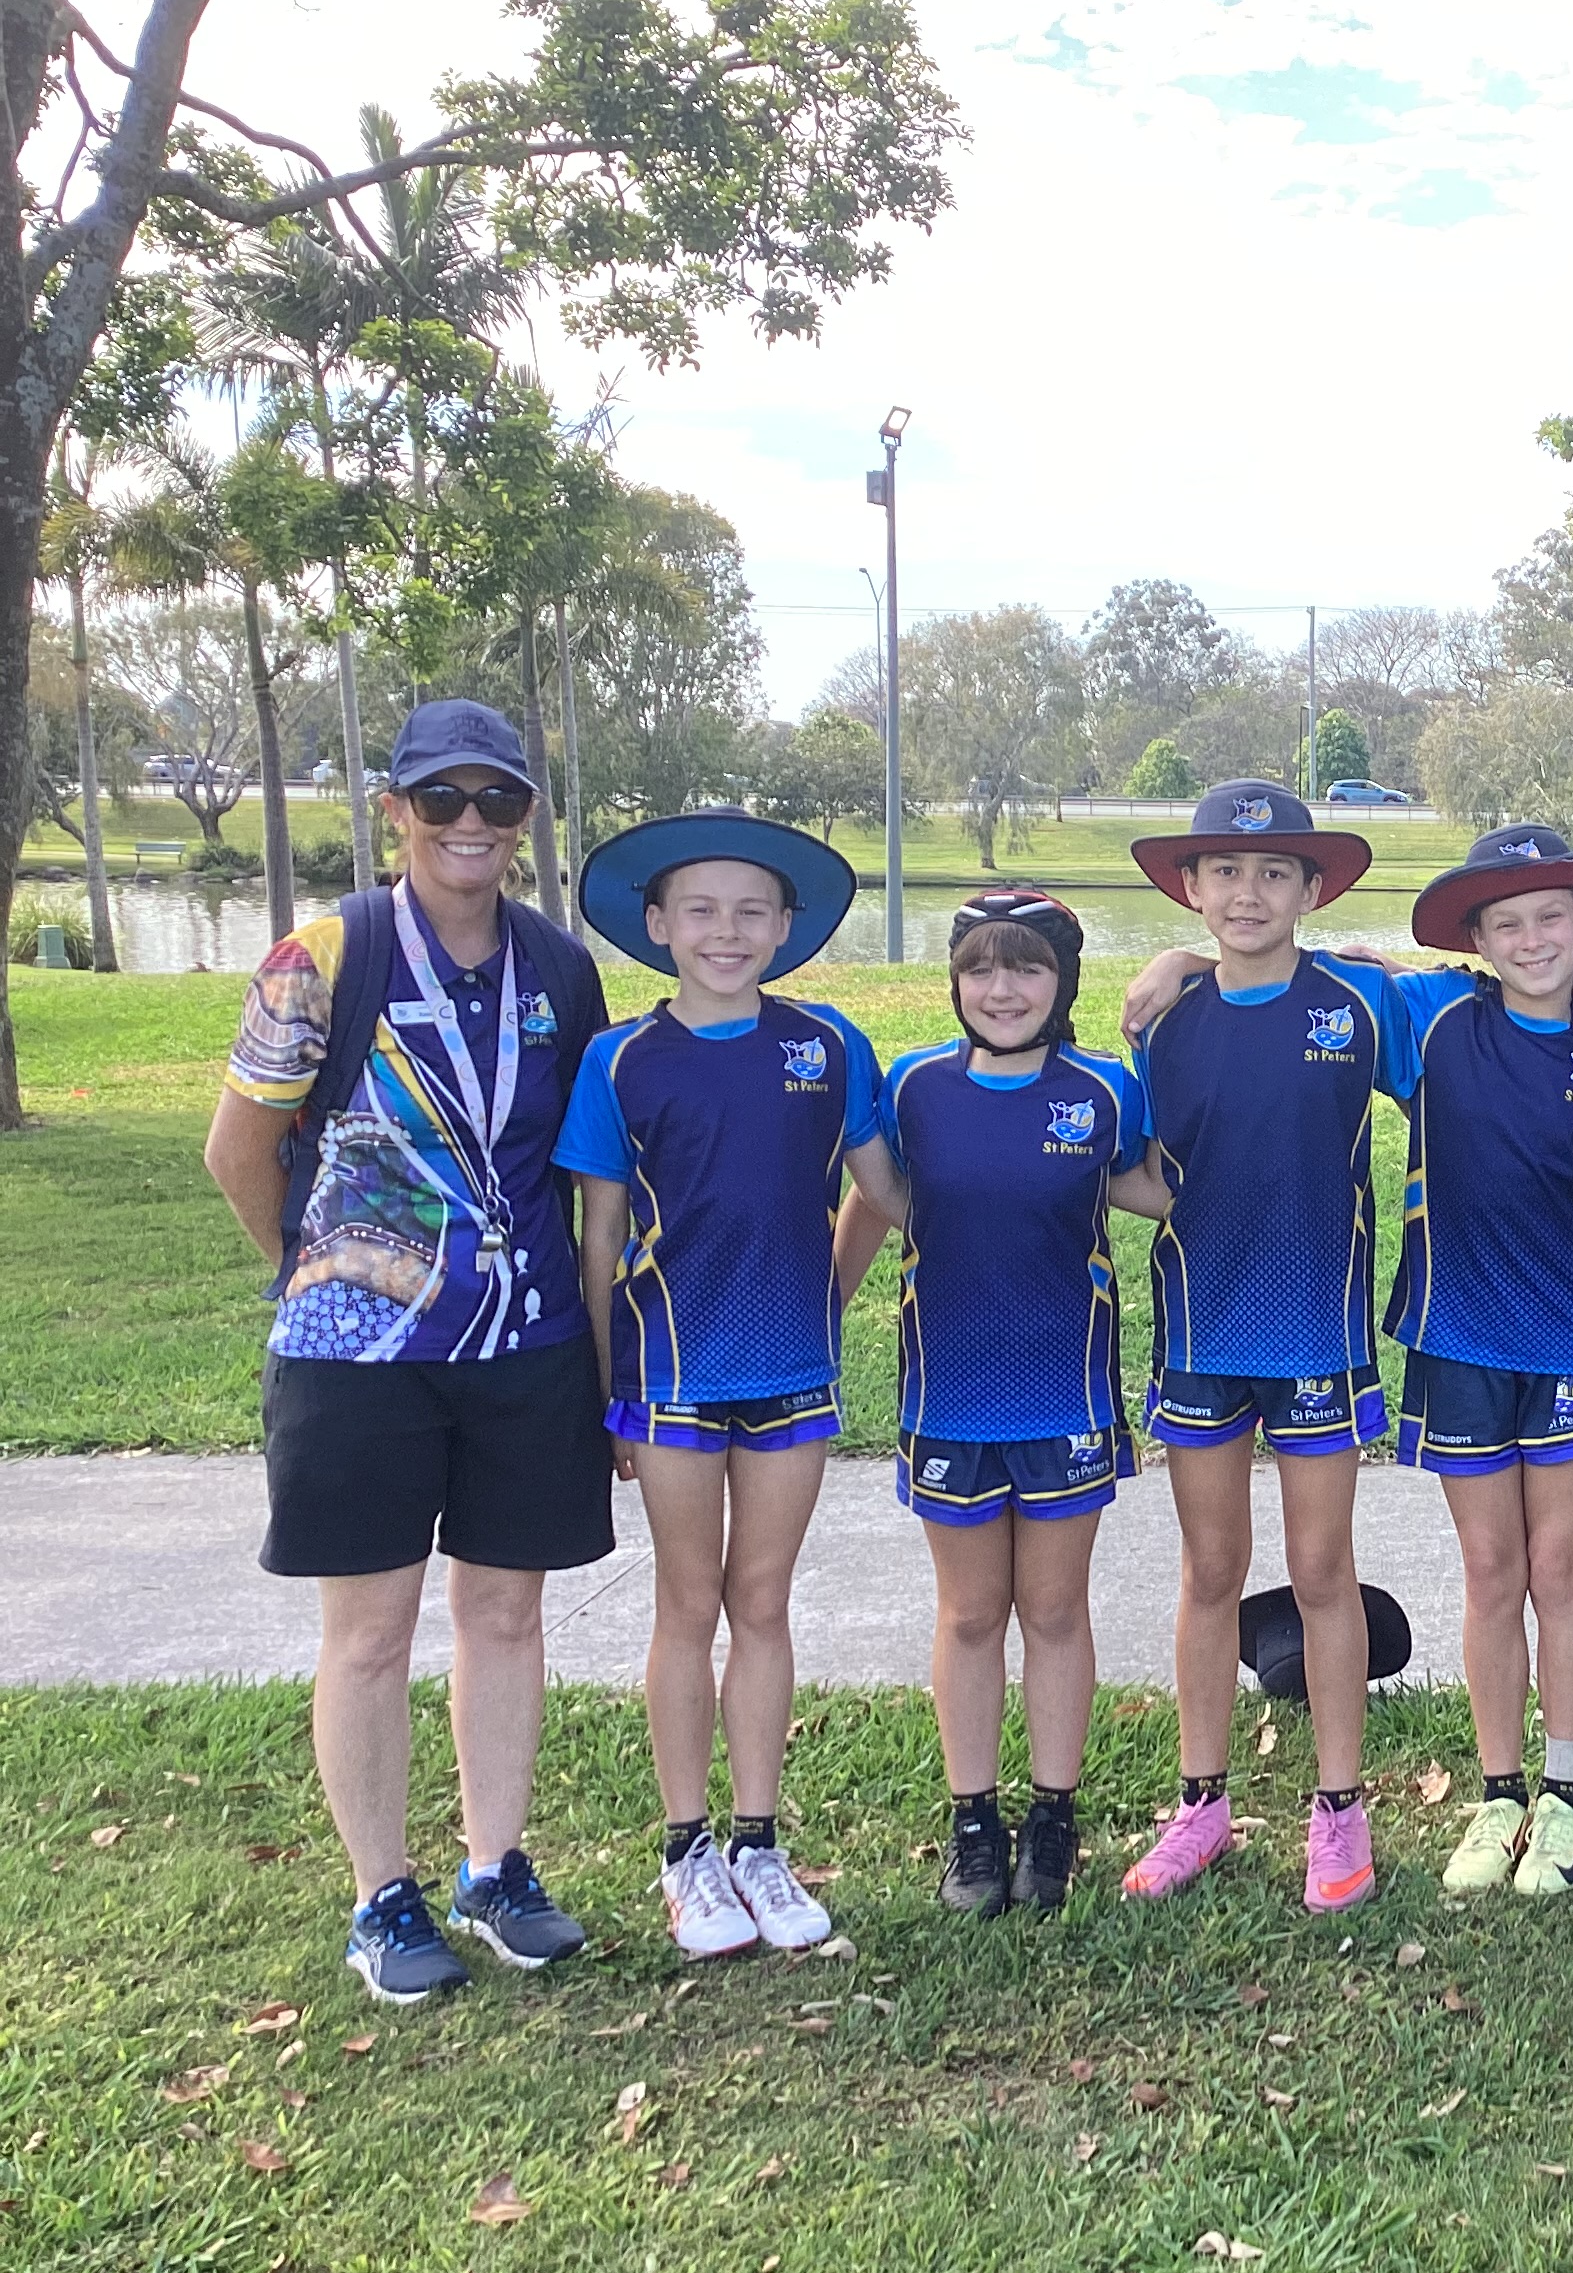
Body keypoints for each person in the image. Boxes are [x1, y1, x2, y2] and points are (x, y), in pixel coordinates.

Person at [205, 699, 612, 2003]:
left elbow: (574, 1161)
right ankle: (383, 1896)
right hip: (354, 1356)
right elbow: (237, 1150)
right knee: (371, 1635)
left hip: (523, 1340)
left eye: (500, 800)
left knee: (504, 1612)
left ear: (527, 818)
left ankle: (495, 1870)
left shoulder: (560, 970)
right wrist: (312, 1269)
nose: (473, 825)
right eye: (445, 800)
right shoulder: (320, 956)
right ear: (398, 812)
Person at [559, 808, 901, 1959]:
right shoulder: (621, 1059)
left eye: (752, 910)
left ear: (785, 927)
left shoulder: (829, 1045)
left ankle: (758, 1841)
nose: (727, 930)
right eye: (700, 910)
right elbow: (598, 1237)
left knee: (763, 1603)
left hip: (792, 1373)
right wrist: (602, 1392)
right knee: (686, 1604)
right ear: (657, 926)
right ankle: (686, 1851)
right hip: (668, 1377)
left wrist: (847, 1286)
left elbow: (883, 1192)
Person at [1113, 780, 1419, 1912]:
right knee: (1209, 1570)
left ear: (1311, 887)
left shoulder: (1358, 1007)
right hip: (1202, 1323)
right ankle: (1201, 1806)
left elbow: (1460, 1032)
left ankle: (1338, 1812)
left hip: (1318, 1330)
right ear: (1189, 888)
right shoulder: (1161, 1024)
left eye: (1273, 873)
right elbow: (1135, 1170)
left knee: (1325, 1569)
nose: (1248, 893)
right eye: (1225, 873)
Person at [831, 891, 1163, 1917]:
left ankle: (1054, 1817)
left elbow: (1164, 1190)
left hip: (1064, 1390)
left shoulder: (1105, 1092)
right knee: (973, 1612)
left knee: (1056, 1609)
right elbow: (876, 1199)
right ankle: (974, 1821)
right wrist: (822, 1313)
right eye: (980, 967)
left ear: (1062, 981)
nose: (1003, 988)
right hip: (950, 1396)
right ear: (955, 980)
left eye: (1026, 968)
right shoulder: (916, 1085)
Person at [1387, 826, 1573, 1897]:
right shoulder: (1436, 1023)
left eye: (1553, 916)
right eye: (1508, 922)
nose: (1533, 937)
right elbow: (1307, 975)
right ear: (1478, 939)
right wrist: (1176, 967)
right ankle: (1498, 1794)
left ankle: (1569, 1801)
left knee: (1558, 1568)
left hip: (1571, 1332)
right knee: (1492, 1572)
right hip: (1456, 1331)